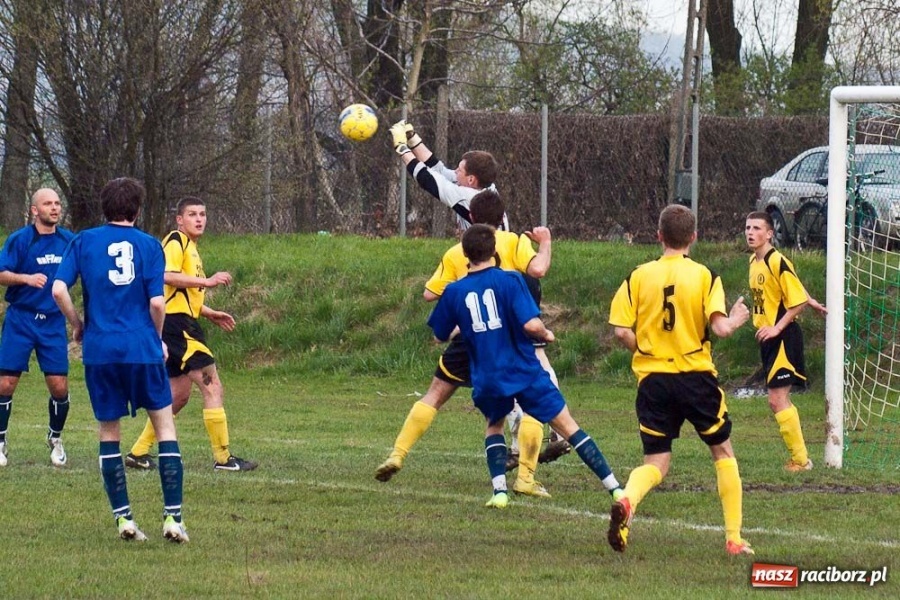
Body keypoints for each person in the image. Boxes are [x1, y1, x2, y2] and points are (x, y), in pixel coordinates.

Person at [375, 190, 558, 497]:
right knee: (533, 407)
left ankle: (397, 454)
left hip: (468, 337)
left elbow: (430, 294)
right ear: (502, 218)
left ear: (470, 217)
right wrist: (547, 243)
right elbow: (537, 270)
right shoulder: (513, 241)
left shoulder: (457, 250)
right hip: (506, 341)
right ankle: (525, 478)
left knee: (434, 396)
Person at [427, 224, 623, 508]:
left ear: (465, 254)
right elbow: (530, 323)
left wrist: (465, 327)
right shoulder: (510, 280)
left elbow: (439, 335)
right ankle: (615, 488)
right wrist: (546, 334)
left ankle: (499, 493)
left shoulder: (455, 292)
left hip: (487, 374)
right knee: (569, 427)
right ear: (494, 251)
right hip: (523, 369)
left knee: (494, 427)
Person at [607, 204, 752, 555]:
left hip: (654, 379)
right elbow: (720, 328)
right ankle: (733, 538)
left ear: (658, 236)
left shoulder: (639, 275)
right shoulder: (704, 275)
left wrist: (644, 348)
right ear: (694, 237)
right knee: (722, 451)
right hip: (695, 376)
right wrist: (737, 318)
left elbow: (620, 330)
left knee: (656, 461)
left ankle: (627, 500)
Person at [51, 177, 188, 542]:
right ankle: (173, 518)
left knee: (109, 432)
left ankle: (124, 519)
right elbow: (157, 302)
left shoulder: (83, 241)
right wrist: (157, 339)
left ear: (104, 208)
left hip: (101, 350)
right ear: (138, 210)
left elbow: (59, 288)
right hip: (141, 348)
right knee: (164, 428)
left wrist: (78, 324)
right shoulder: (148, 245)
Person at [125, 196, 257, 472]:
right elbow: (166, 275)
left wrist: (208, 312)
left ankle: (138, 453)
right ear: (179, 219)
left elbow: (181, 292)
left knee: (178, 395)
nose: (199, 219)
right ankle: (223, 459)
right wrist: (207, 281)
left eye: (203, 214)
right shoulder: (176, 240)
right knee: (211, 385)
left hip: (179, 322)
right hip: (177, 326)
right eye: (193, 214)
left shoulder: (192, 248)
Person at [745, 211, 826, 472]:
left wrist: (777, 327)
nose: (750, 232)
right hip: (769, 339)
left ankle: (801, 460)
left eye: (757, 228)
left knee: (777, 399)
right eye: (748, 228)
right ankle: (800, 459)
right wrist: (811, 299)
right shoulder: (753, 262)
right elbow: (790, 286)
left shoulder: (775, 260)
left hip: (782, 337)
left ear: (770, 233)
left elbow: (795, 299)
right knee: (778, 400)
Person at [0, 189, 75, 467]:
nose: (54, 208)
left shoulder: (69, 241)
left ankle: (55, 438)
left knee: (59, 386)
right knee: (6, 383)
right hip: (21, 319)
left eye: (57, 203)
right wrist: (25, 279)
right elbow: (1, 273)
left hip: (53, 321)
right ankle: (0, 440)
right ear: (34, 210)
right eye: (48, 204)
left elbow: (86, 271)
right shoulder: (20, 239)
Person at [388, 119, 507, 232]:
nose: (455, 172)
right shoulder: (485, 186)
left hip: (489, 251)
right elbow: (439, 171)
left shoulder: (468, 197)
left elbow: (428, 179)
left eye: (459, 170)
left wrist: (401, 148)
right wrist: (413, 140)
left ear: (471, 179)